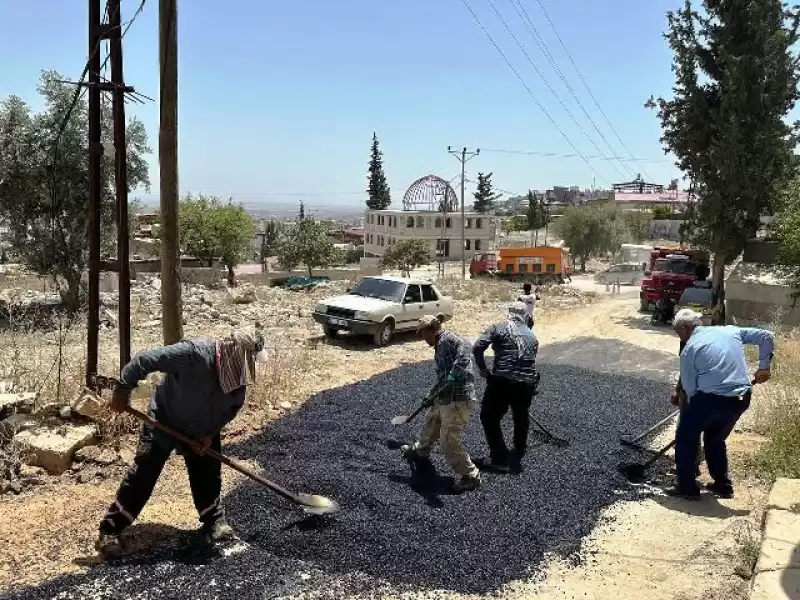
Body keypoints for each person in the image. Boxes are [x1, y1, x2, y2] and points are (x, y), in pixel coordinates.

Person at [95, 329, 268, 558]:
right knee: (143, 475)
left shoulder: (236, 379)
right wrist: (122, 389)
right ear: (237, 354)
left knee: (208, 474)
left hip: (202, 430)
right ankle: (109, 530)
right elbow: (144, 360)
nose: (250, 368)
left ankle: (214, 522)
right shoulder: (192, 355)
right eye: (249, 361)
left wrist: (210, 434)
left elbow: (231, 409)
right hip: (164, 420)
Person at [669, 309, 774, 500]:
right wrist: (764, 366)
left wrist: (692, 413)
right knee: (715, 440)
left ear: (685, 328)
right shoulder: (729, 331)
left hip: (709, 399)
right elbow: (766, 336)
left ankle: (687, 488)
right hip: (740, 398)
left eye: (679, 333)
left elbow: (691, 389)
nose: (680, 337)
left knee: (686, 439)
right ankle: (723, 486)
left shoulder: (690, 348)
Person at [401, 316, 481, 492]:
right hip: (446, 395)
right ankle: (420, 450)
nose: (423, 338)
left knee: (448, 439)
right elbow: (443, 378)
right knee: (432, 419)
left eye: (422, 333)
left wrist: (456, 372)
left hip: (458, 398)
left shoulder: (448, 339)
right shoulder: (440, 345)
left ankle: (470, 475)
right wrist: (430, 395)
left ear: (430, 330)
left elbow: (466, 348)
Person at [473, 302, 540, 474]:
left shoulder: (499, 327)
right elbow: (530, 360)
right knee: (520, 415)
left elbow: (477, 346)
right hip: (527, 383)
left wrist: (483, 369)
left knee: (488, 416)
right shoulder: (532, 336)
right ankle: (519, 450)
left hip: (502, 381)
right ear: (526, 316)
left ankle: (499, 458)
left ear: (509, 314)